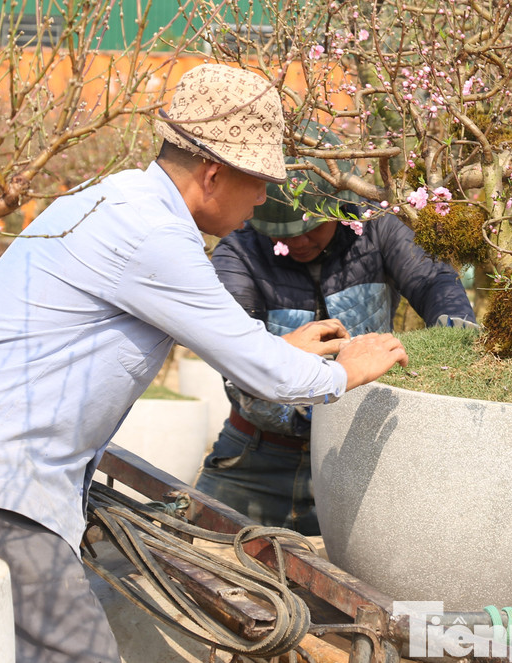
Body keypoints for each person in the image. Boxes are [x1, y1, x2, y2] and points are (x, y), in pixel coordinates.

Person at [0, 64, 409, 663]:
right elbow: (268, 375)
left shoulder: (115, 199)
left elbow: (207, 336)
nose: (266, 200)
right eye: (260, 182)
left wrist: (281, 350)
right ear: (213, 174)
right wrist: (348, 370)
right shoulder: (152, 234)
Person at [195, 153, 475, 534]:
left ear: (339, 207)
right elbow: (232, 344)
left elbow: (432, 281)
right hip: (253, 457)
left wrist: (456, 341)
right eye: (283, 233)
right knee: (200, 559)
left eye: (310, 228)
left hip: (359, 457)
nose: (298, 241)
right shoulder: (239, 251)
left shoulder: (376, 227)